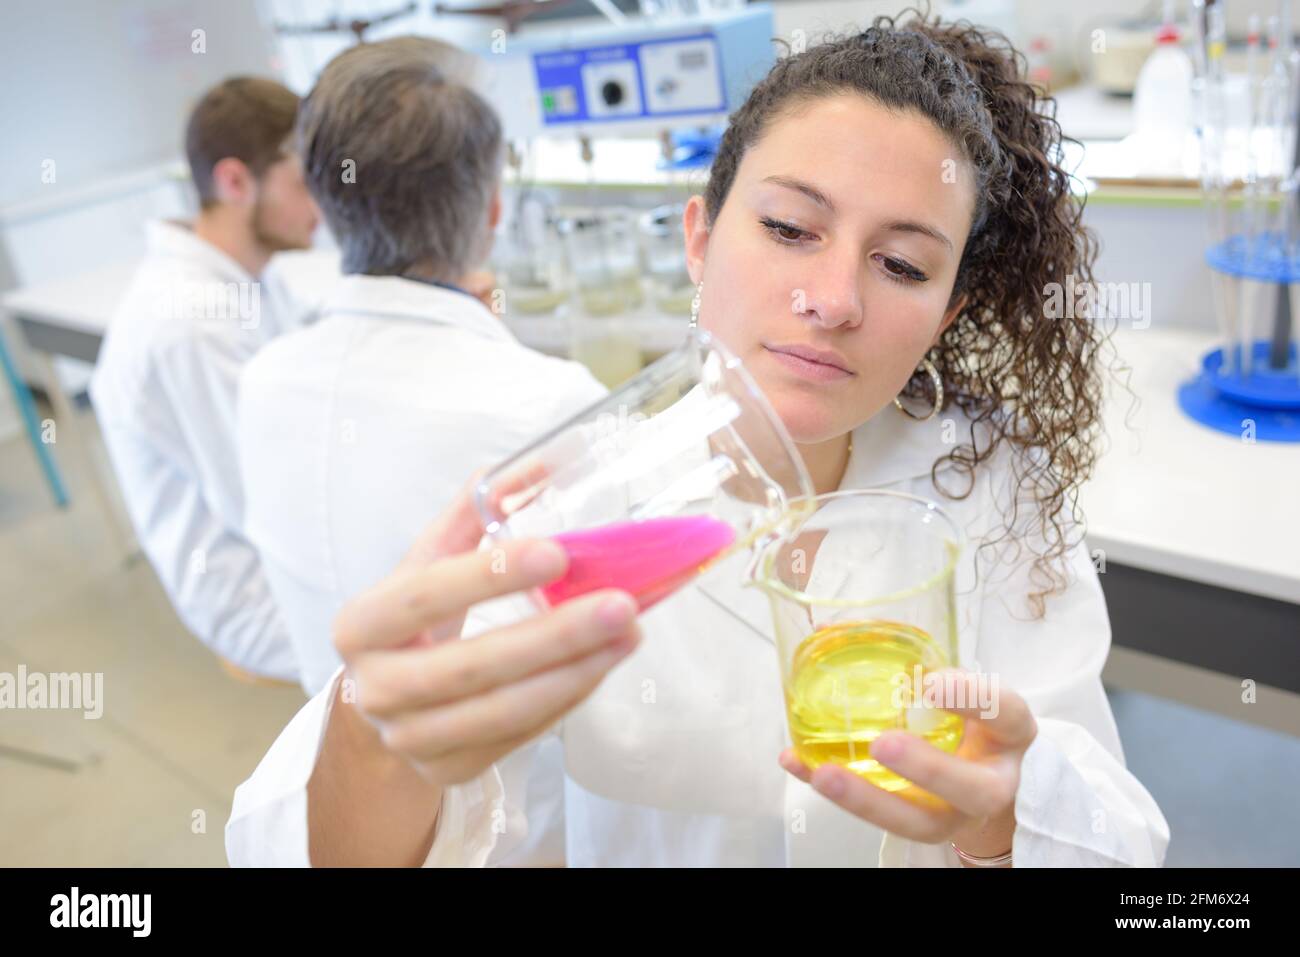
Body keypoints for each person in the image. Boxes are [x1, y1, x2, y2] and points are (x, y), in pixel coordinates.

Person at [227, 13, 1171, 867]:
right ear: (699, 238)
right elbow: (320, 849)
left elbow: (1120, 847)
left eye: (901, 263)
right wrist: (373, 736)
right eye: (790, 227)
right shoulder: (579, 500)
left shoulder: (999, 492)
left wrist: (1001, 822)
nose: (834, 300)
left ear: (947, 308)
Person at [236, 38, 606, 695]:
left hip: (337, 750)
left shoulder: (263, 379)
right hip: (507, 786)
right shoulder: (554, 405)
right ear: (492, 210)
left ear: (322, 204)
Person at [91, 77, 320, 682]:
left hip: (277, 543)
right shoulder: (192, 325)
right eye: (304, 183)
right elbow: (268, 507)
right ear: (235, 182)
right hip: (252, 595)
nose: (322, 206)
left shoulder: (245, 273)